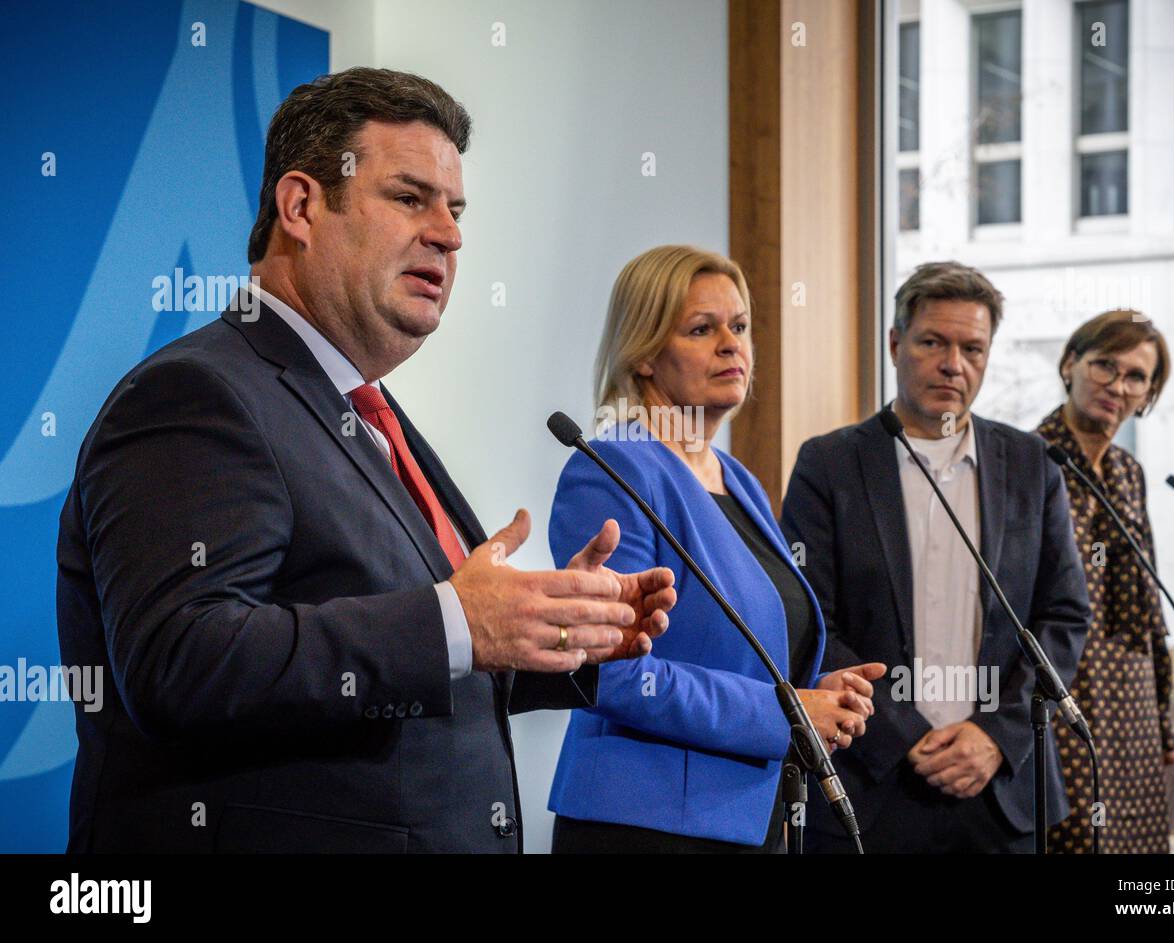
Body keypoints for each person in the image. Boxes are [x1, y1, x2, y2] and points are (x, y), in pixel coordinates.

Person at [55, 67, 676, 853]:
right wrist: (460, 618)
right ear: (302, 206)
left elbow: (404, 659)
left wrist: (551, 636)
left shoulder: (363, 409)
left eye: (455, 211)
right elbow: (184, 661)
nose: (449, 234)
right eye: (411, 198)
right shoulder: (195, 394)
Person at [546, 245, 884, 853]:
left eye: (741, 326)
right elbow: (614, 673)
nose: (732, 345)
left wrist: (819, 689)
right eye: (703, 329)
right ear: (645, 354)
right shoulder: (613, 469)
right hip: (647, 826)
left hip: (751, 818)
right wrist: (786, 712)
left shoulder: (739, 479)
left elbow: (738, 652)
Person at [781, 261, 1090, 853]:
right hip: (869, 783)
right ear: (896, 344)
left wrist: (996, 735)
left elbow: (1063, 615)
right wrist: (903, 737)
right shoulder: (830, 464)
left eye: (973, 348)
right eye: (932, 342)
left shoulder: (1033, 464)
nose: (954, 364)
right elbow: (809, 617)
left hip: (1000, 790)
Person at [1038, 309, 1174, 853]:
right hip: (1065, 704)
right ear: (1070, 364)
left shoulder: (1129, 472)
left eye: (1136, 377)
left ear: (1148, 393)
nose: (1117, 387)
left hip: (1136, 712)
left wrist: (1165, 734)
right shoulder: (1031, 460)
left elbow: (1150, 615)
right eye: (1104, 366)